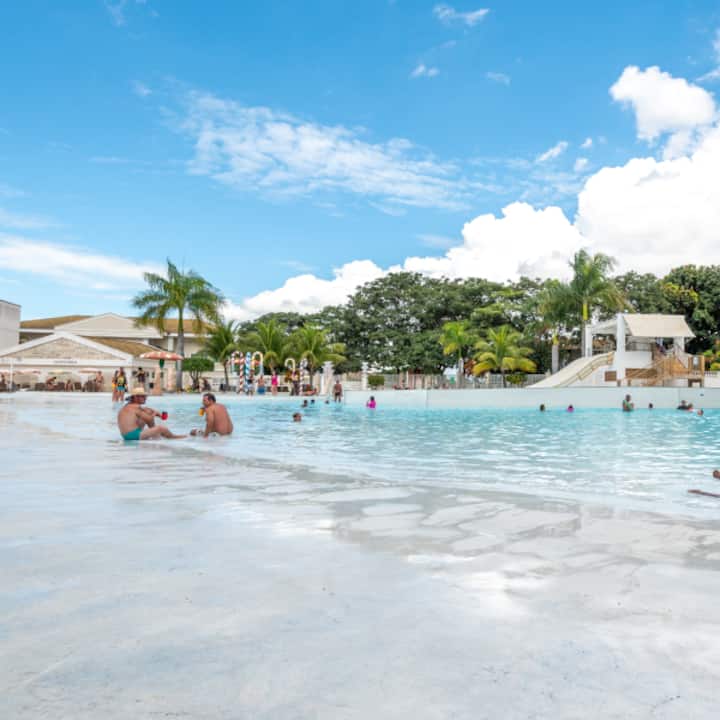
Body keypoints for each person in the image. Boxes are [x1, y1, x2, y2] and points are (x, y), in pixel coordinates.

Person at [117, 387, 185, 441]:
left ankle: (155, 435)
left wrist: (158, 414)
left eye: (145, 396)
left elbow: (147, 412)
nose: (145, 398)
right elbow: (149, 419)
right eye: (143, 396)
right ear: (135, 397)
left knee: (148, 411)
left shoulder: (129, 406)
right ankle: (175, 437)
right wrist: (155, 413)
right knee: (161, 428)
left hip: (126, 436)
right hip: (133, 436)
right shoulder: (136, 408)